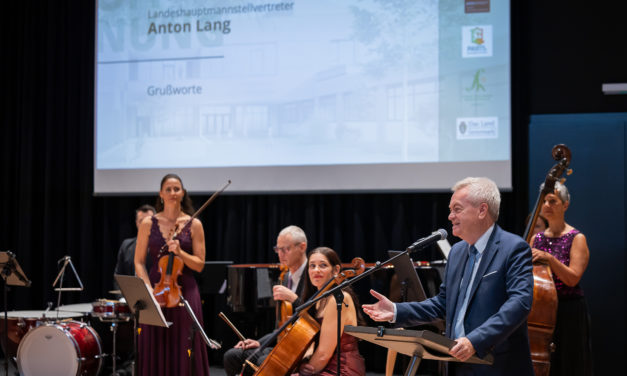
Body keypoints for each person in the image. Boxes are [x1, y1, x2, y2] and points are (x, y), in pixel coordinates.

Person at [363, 177, 534, 375]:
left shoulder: (513, 248)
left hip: (496, 365)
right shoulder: (458, 252)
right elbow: (443, 303)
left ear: (482, 210)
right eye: (450, 210)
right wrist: (396, 310)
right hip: (455, 363)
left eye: (457, 209)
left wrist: (475, 340)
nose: (450, 216)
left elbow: (520, 303)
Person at [134, 173, 210, 375]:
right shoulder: (148, 223)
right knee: (155, 343)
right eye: (168, 189)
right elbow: (139, 262)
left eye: (176, 189)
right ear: (160, 194)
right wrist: (148, 290)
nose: (172, 193)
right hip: (156, 292)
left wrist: (180, 253)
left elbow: (200, 265)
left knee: (184, 345)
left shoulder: (194, 224)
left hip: (185, 292)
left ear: (183, 193)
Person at [223, 225, 309, 376]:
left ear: (302, 247)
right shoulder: (285, 276)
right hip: (282, 343)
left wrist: (294, 299)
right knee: (232, 357)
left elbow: (314, 316)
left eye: (286, 249)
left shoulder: (313, 275)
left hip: (304, 346)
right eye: (278, 249)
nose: (280, 254)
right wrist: (259, 342)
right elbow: (281, 328)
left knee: (262, 361)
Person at [531, 182, 592, 376]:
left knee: (568, 364)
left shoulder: (577, 238)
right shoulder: (537, 239)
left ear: (565, 205)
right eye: (544, 201)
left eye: (553, 201)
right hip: (541, 309)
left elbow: (572, 278)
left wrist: (549, 259)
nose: (547, 205)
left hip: (568, 310)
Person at [295, 247, 365, 376]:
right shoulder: (317, 300)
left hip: (341, 368)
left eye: (323, 265)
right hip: (323, 365)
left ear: (336, 270)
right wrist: (304, 362)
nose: (316, 270)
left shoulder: (338, 298)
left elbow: (323, 354)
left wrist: (305, 371)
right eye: (312, 266)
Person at [113, 204, 156, 287]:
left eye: (148, 221)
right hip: (130, 297)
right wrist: (121, 298)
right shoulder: (126, 245)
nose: (144, 224)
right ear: (136, 223)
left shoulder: (161, 247)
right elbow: (119, 276)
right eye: (141, 221)